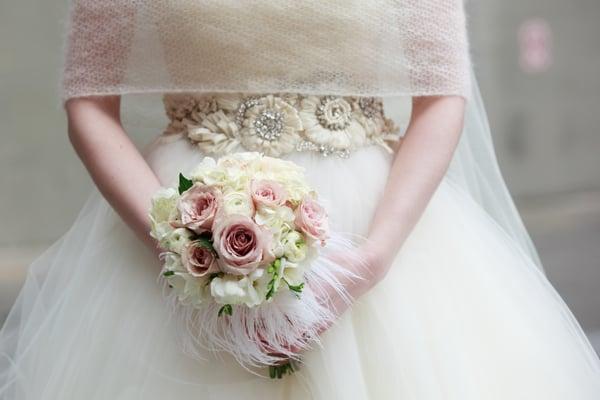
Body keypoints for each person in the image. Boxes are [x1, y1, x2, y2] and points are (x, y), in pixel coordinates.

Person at [1, 1, 600, 399]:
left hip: (375, 229)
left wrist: (371, 260)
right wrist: (185, 246)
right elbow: (89, 101)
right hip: (181, 223)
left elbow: (442, 94)